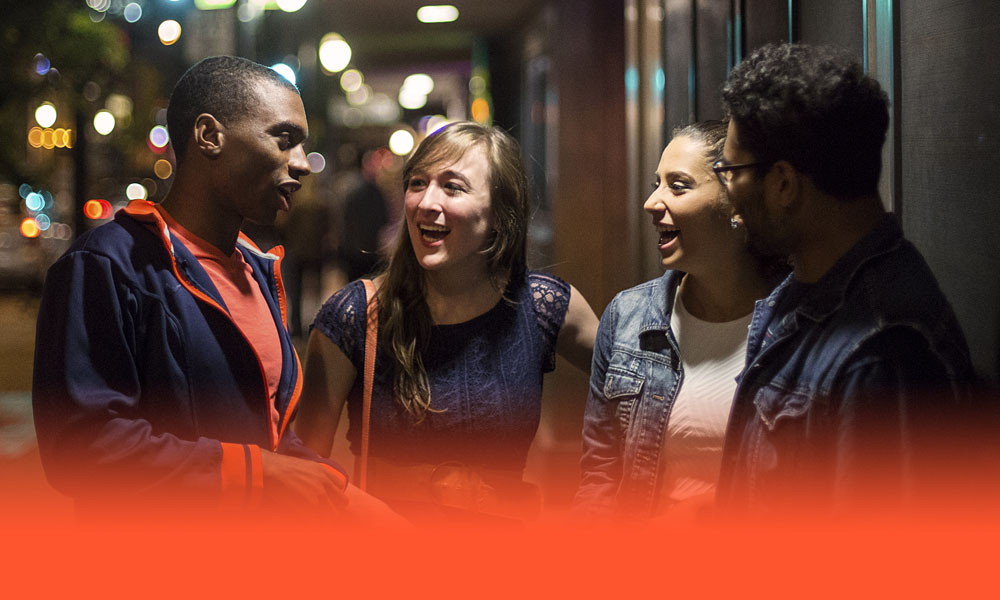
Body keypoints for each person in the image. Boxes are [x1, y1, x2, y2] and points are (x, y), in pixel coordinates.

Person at [31, 56, 359, 519]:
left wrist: (358, 505)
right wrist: (257, 474)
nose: (302, 164)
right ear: (209, 136)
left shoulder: (255, 271)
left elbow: (269, 433)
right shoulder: (107, 264)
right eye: (284, 140)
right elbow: (79, 447)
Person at [713, 43, 974, 514]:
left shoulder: (884, 352)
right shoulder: (802, 294)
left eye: (730, 172)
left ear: (783, 184)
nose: (727, 196)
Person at [295, 121, 599, 521]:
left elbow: (649, 389)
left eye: (453, 187)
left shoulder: (540, 305)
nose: (425, 202)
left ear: (500, 213)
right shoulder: (355, 315)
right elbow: (303, 474)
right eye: (418, 183)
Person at [573, 120, 781, 519]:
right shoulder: (629, 317)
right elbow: (600, 476)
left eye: (678, 185)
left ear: (737, 204)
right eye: (657, 183)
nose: (653, 202)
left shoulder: (799, 323)